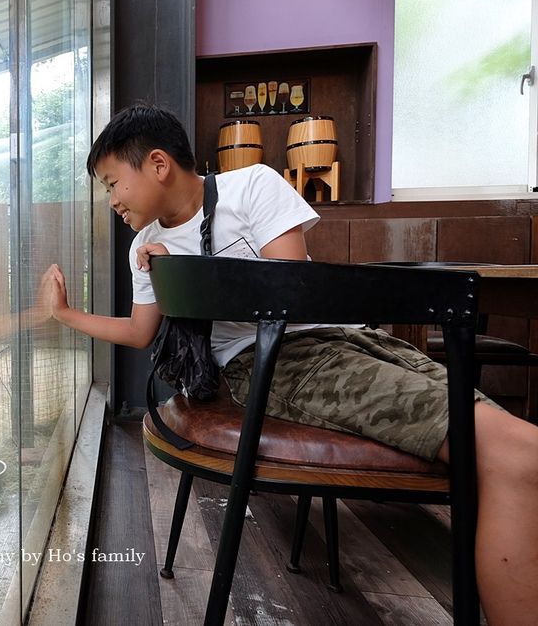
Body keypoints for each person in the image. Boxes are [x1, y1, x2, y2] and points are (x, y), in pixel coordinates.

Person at [41, 103, 538, 624]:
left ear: (159, 164)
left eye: (112, 183)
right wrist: (68, 314)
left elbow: (292, 294)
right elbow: (142, 332)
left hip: (343, 340)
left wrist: (187, 269)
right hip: (272, 363)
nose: (111, 200)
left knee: (511, 446)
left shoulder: (252, 186)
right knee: (517, 454)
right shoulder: (144, 246)